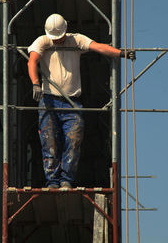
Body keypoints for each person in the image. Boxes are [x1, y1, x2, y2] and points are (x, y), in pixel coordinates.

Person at [27, 13, 135, 188]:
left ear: (65, 30)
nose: (56, 41)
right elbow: (32, 61)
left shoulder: (76, 40)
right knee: (49, 141)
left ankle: (66, 180)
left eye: (59, 37)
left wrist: (121, 53)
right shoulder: (42, 41)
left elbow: (99, 47)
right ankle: (52, 181)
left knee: (74, 139)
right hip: (48, 100)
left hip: (72, 102)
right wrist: (35, 83)